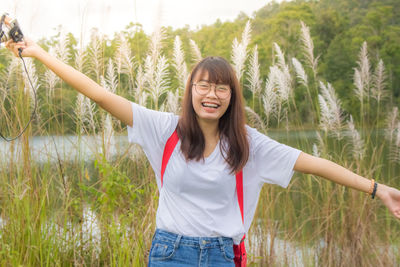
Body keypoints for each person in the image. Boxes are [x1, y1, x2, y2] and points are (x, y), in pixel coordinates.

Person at [6, 37, 400, 266]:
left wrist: (376, 188)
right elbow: (97, 92)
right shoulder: (163, 129)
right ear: (190, 90)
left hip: (221, 256)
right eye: (203, 86)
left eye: (221, 88)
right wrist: (39, 53)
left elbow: (315, 164)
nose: (212, 95)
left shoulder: (249, 144)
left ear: (231, 96)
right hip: (169, 252)